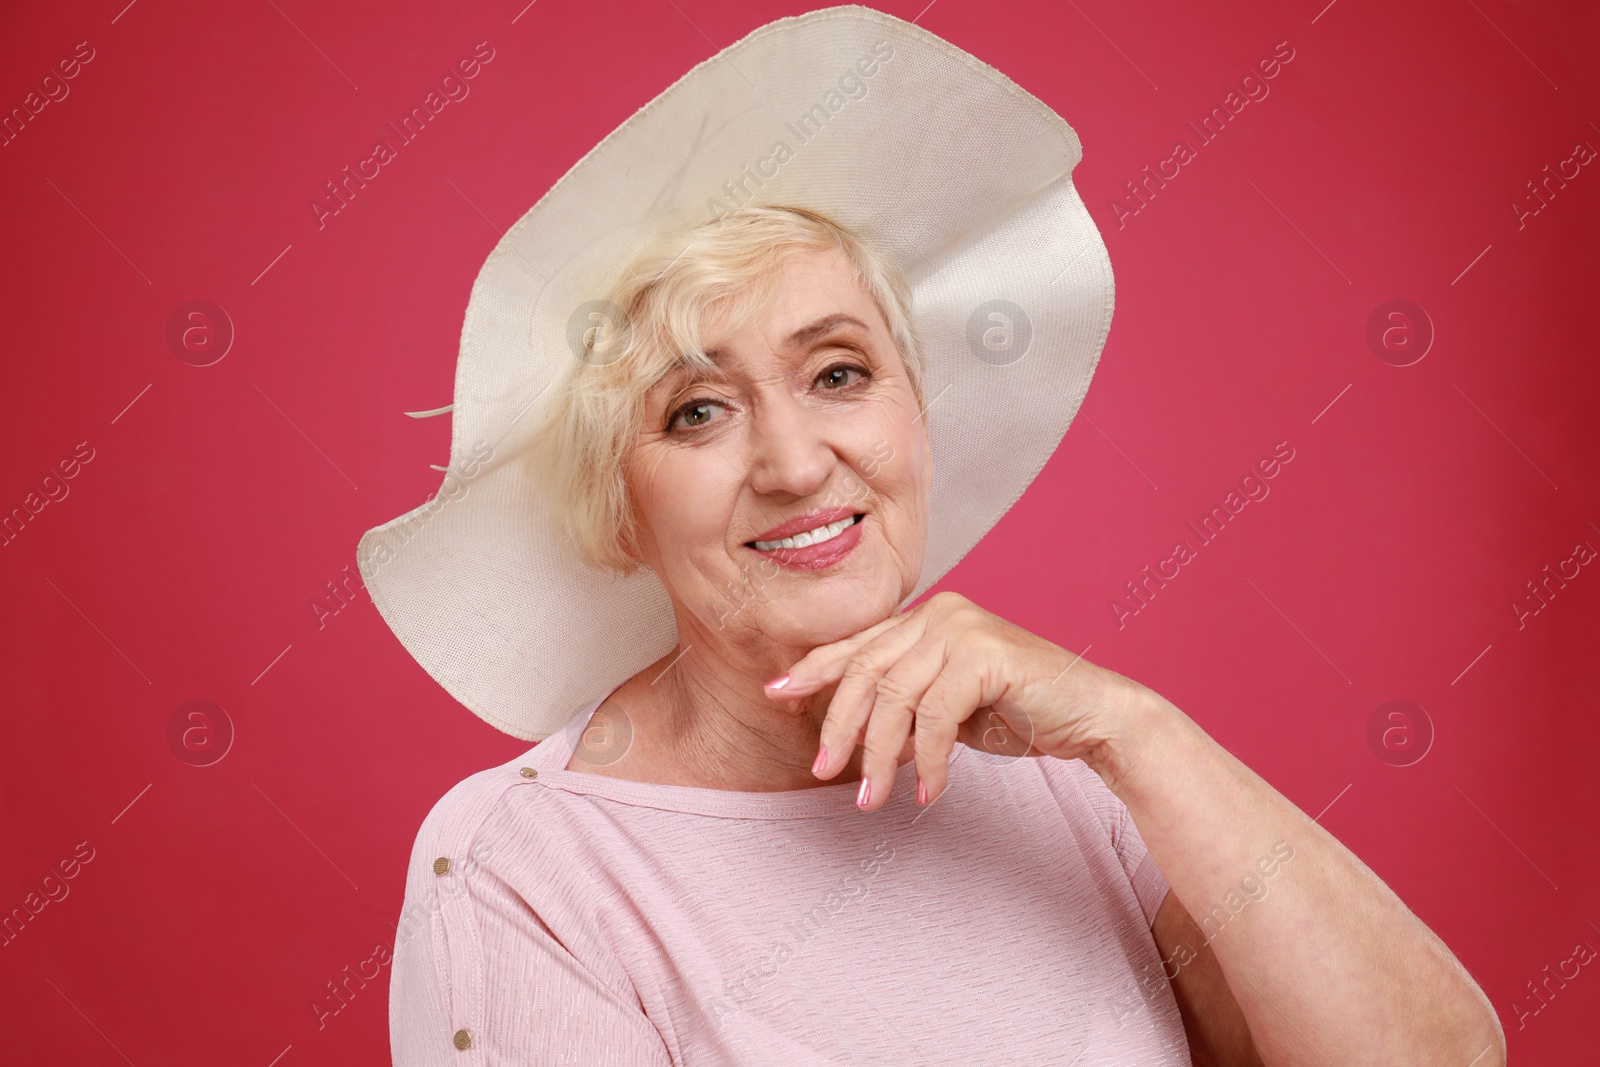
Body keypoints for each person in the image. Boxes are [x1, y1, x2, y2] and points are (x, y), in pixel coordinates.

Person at [362, 9, 1504, 1065]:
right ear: (620, 507)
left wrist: (1133, 729)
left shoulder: (1072, 782)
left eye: (838, 372)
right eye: (696, 410)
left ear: (915, 412)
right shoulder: (523, 867)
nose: (796, 463)